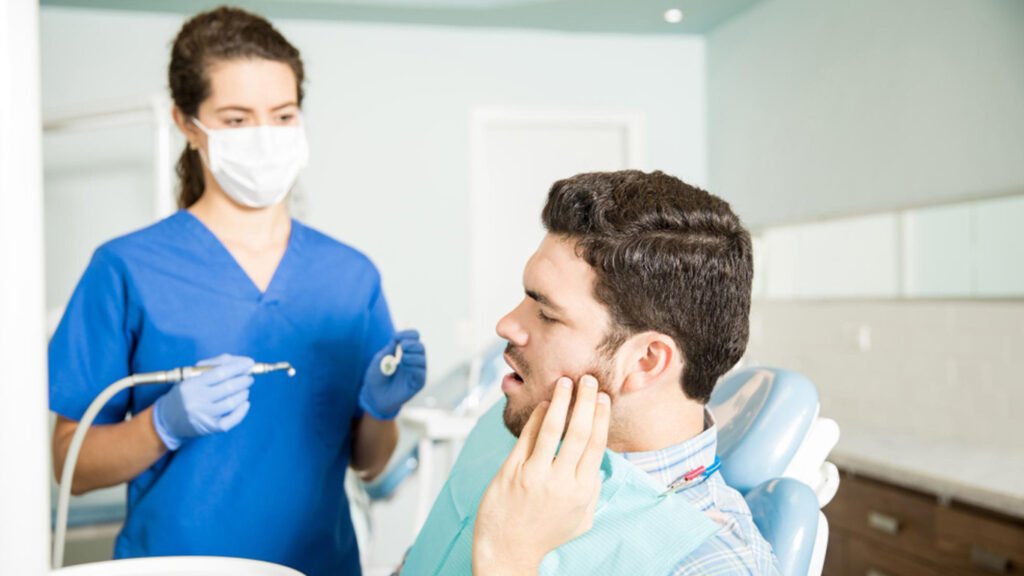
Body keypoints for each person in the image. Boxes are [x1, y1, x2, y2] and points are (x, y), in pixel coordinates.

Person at [48, 7, 426, 575]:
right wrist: (161, 425)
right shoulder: (126, 269)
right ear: (186, 123)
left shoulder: (350, 276)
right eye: (236, 119)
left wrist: (380, 409)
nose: (265, 137)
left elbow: (369, 464)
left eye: (283, 115)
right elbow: (70, 465)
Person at [403, 170, 780, 574]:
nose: (506, 325)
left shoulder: (710, 562)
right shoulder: (523, 417)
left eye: (547, 314)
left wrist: (510, 558)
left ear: (646, 360)